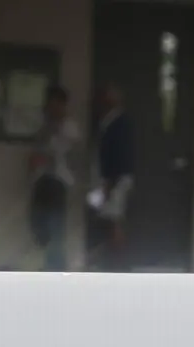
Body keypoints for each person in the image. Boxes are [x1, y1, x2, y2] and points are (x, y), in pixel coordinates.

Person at [27, 85, 77, 272]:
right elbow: (36, 149)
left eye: (57, 104)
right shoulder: (43, 125)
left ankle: (56, 268)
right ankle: (48, 262)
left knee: (56, 226)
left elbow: (71, 154)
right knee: (38, 224)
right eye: (51, 104)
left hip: (59, 181)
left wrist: (50, 155)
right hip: (41, 179)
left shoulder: (70, 127)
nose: (53, 108)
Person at [88, 85, 134, 272]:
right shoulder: (106, 121)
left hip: (115, 179)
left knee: (115, 218)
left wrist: (110, 181)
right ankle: (106, 260)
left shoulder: (121, 123)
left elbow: (120, 154)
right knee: (105, 218)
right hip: (104, 178)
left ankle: (119, 264)